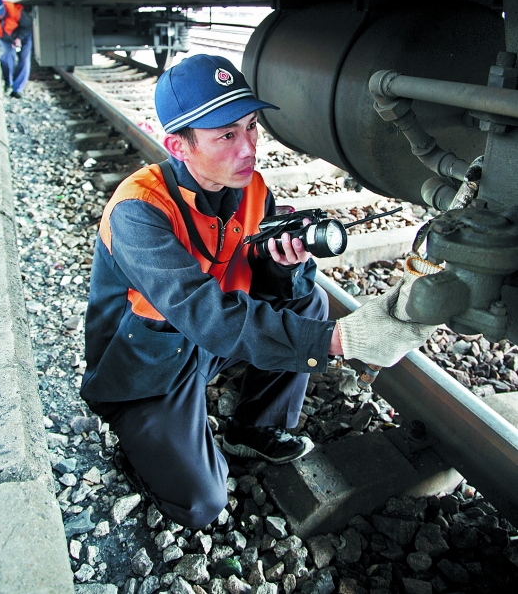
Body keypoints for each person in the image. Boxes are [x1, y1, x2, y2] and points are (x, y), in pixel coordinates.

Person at [80, 54, 439, 528]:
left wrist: (283, 267)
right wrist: (336, 340)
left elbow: (266, 289)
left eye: (251, 126)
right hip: (149, 363)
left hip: (208, 344)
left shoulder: (252, 188)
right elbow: (202, 311)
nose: (249, 146)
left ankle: (254, 427)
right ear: (178, 145)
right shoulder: (138, 211)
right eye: (226, 135)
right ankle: (135, 434)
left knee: (306, 300)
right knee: (202, 504)